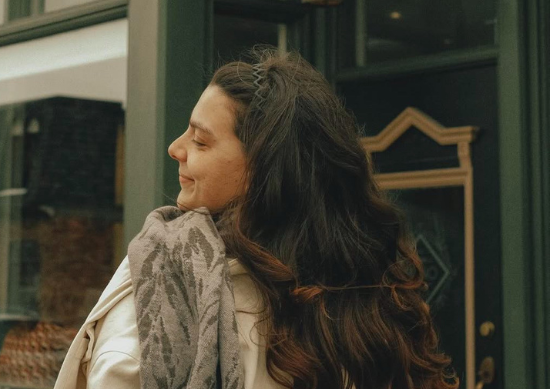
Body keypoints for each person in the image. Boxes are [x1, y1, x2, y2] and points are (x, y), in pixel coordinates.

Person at [54, 48, 456, 389]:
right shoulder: (369, 302)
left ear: (264, 169)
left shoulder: (167, 274)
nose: (176, 148)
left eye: (200, 140)